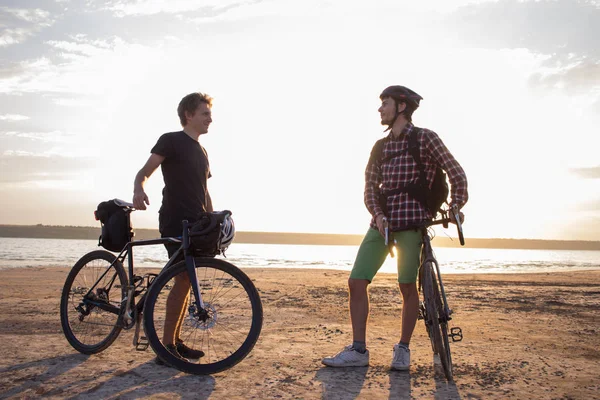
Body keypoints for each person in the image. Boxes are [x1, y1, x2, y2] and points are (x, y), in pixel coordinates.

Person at [322, 85, 468, 370]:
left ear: (401, 107)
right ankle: (359, 351)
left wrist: (456, 205)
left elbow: (455, 171)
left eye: (384, 103)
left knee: (406, 286)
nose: (380, 109)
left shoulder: (426, 138)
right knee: (356, 281)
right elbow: (369, 188)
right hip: (383, 225)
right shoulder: (380, 147)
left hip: (413, 223)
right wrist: (377, 215)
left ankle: (403, 348)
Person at [132, 92, 214, 365]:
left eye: (209, 114)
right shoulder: (171, 140)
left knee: (185, 279)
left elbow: (204, 191)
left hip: (197, 223)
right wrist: (138, 190)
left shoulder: (202, 151)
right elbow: (145, 171)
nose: (209, 119)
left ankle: (173, 343)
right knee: (182, 278)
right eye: (204, 113)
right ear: (188, 115)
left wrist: (213, 218)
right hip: (175, 219)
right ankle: (167, 347)